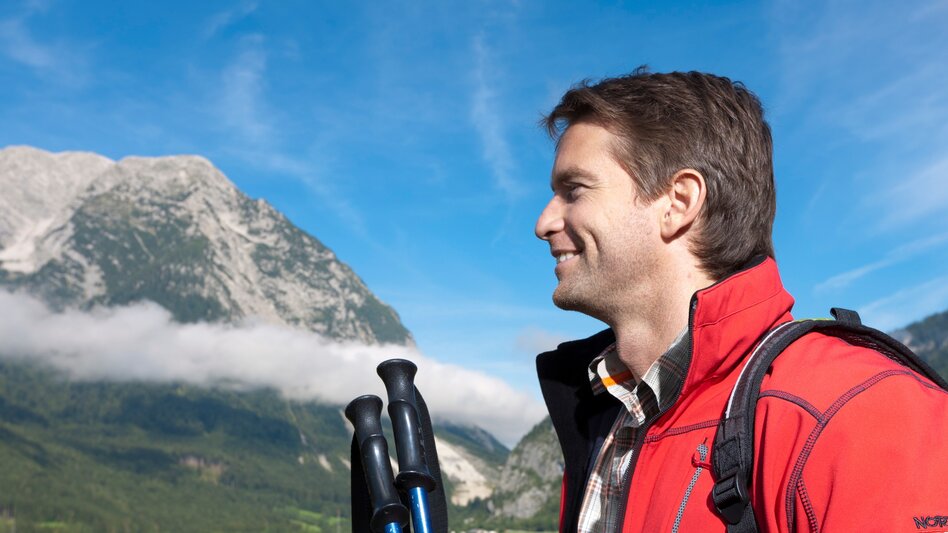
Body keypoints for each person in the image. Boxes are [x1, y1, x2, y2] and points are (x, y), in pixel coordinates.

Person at [533, 67, 948, 533]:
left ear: (678, 201)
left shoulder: (861, 414)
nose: (544, 223)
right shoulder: (606, 415)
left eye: (574, 191)